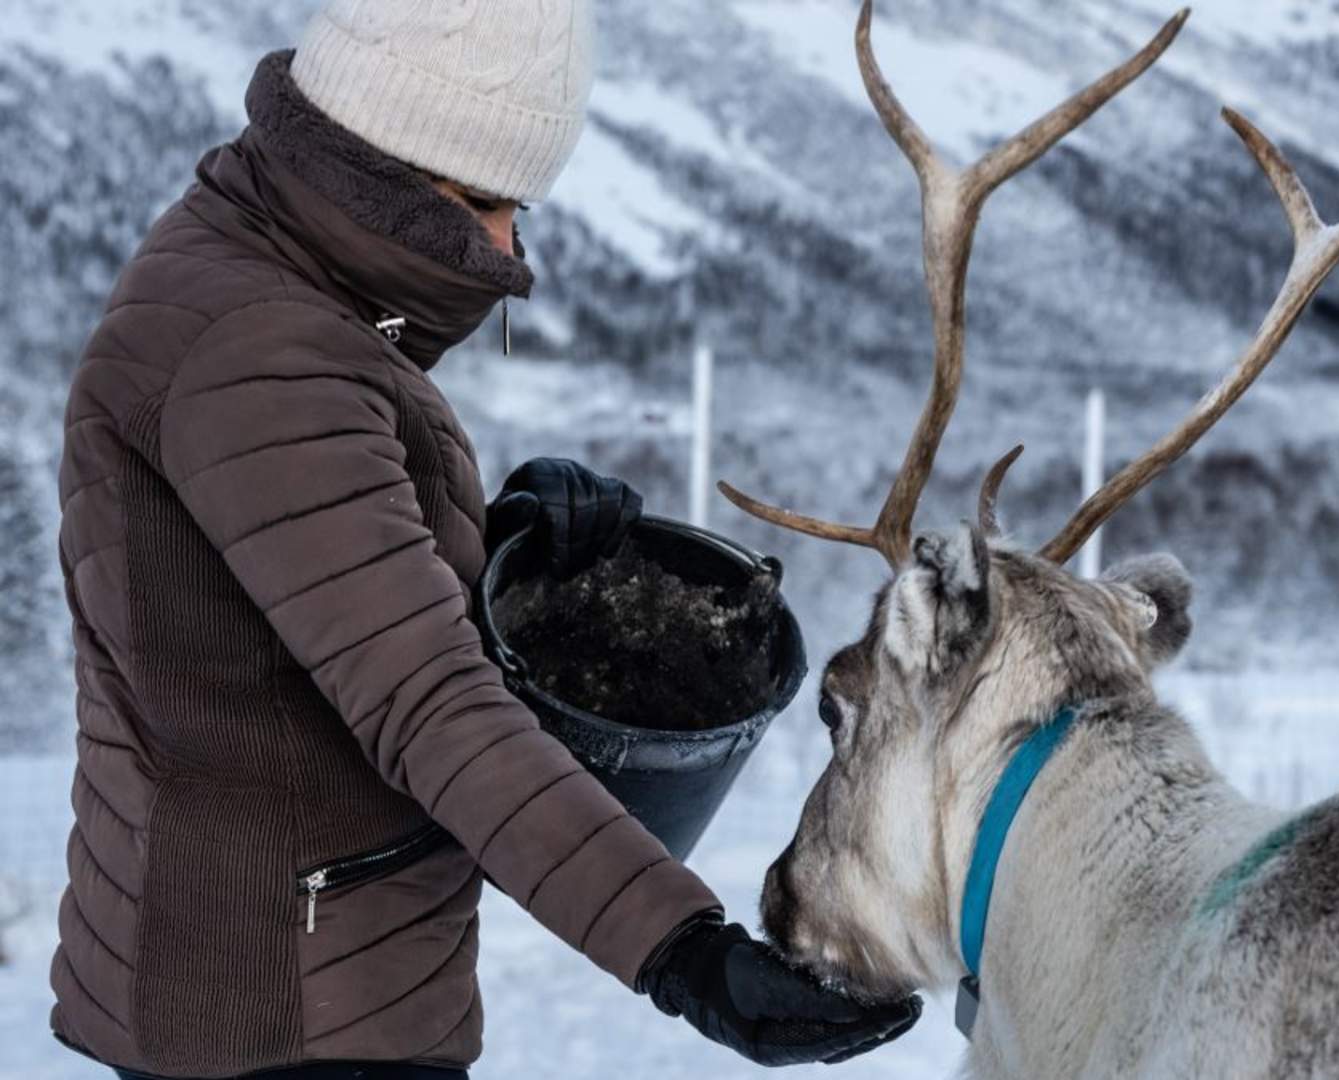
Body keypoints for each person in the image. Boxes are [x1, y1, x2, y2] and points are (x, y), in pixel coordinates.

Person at [50, 2, 919, 1077]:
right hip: (281, 1012)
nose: (510, 251)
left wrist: (492, 547)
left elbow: (270, 602)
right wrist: (686, 954)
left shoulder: (255, 273)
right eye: (482, 203)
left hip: (301, 969)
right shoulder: (263, 354)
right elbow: (427, 703)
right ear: (378, 162)